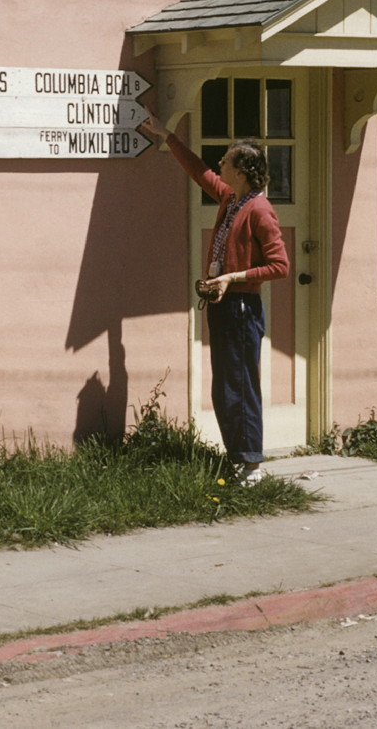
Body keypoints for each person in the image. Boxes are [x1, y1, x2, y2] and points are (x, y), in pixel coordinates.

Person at [138, 113, 290, 484]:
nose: (219, 163)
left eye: (226, 160)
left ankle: (250, 464)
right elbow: (198, 171)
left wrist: (233, 277)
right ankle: (237, 456)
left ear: (241, 170)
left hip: (241, 306)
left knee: (239, 384)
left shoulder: (258, 209)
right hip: (224, 304)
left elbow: (280, 265)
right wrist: (167, 135)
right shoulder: (232, 198)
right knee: (225, 386)